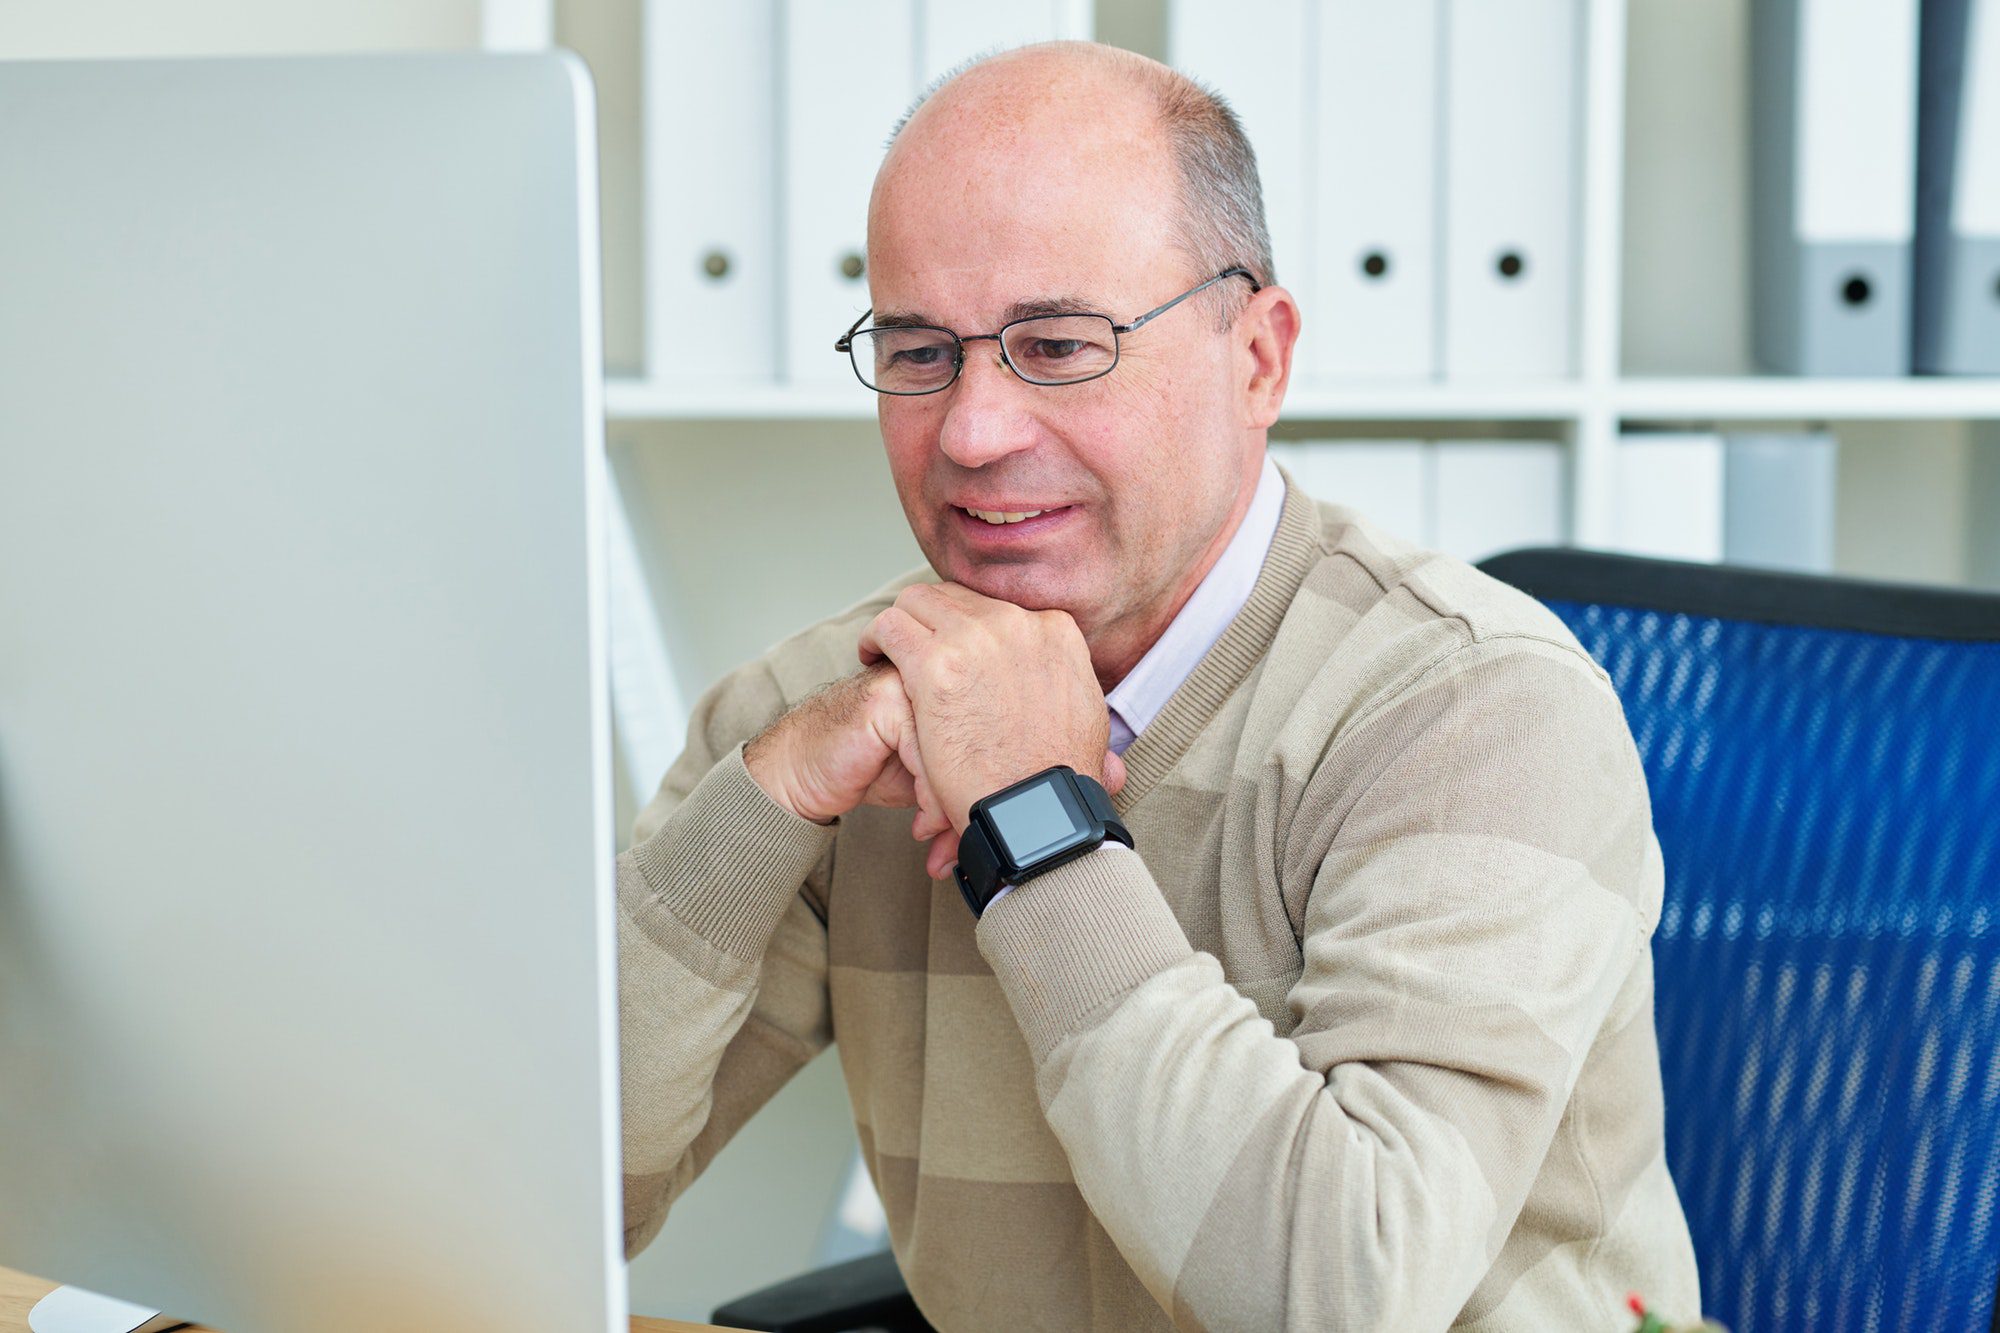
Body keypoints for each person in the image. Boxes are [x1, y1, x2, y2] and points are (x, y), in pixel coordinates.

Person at [618, 39, 1701, 1331]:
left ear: (1258, 359)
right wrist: (759, 803)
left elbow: (1336, 1295)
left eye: (1059, 345)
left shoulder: (1481, 712)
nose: (971, 430)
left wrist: (1033, 821)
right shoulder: (834, 714)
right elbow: (550, 1182)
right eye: (919, 352)